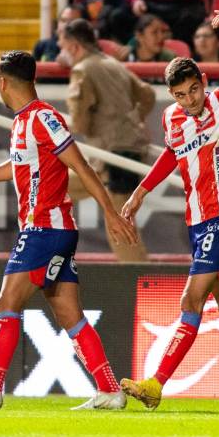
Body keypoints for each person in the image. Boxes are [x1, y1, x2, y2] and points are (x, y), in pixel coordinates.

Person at [0, 51, 138, 410]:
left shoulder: (44, 118)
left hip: (44, 228)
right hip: (52, 230)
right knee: (69, 315)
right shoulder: (23, 121)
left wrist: (109, 212)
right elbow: (19, 164)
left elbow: (81, 166)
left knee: (6, 303)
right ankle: (110, 390)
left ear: (2, 82)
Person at [119, 10, 219, 412]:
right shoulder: (172, 118)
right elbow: (172, 155)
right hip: (197, 223)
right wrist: (141, 191)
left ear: (204, 82)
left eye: (194, 90)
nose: (190, 100)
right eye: (181, 95)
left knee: (190, 301)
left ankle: (155, 384)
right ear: (171, 96)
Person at [58, 18, 154, 262]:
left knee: (120, 227)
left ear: (74, 47)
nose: (61, 53)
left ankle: (139, 277)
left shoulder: (82, 70)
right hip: (118, 154)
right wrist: (135, 120)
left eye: (63, 47)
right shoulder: (114, 64)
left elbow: (79, 123)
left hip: (112, 156)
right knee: (54, 185)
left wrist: (76, 125)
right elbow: (148, 94)